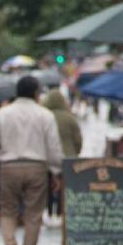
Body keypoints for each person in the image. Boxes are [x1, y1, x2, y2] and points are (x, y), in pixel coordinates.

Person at [0, 76, 63, 245]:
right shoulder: (45, 115)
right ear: (36, 93)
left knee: (8, 211)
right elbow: (53, 147)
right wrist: (57, 171)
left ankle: (10, 243)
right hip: (37, 167)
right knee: (33, 216)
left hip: (8, 167)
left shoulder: (3, 114)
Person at [42, 88, 82, 223]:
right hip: (68, 157)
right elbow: (78, 139)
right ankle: (61, 211)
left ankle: (49, 210)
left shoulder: (45, 116)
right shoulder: (69, 118)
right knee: (64, 186)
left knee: (49, 185)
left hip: (47, 157)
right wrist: (76, 151)